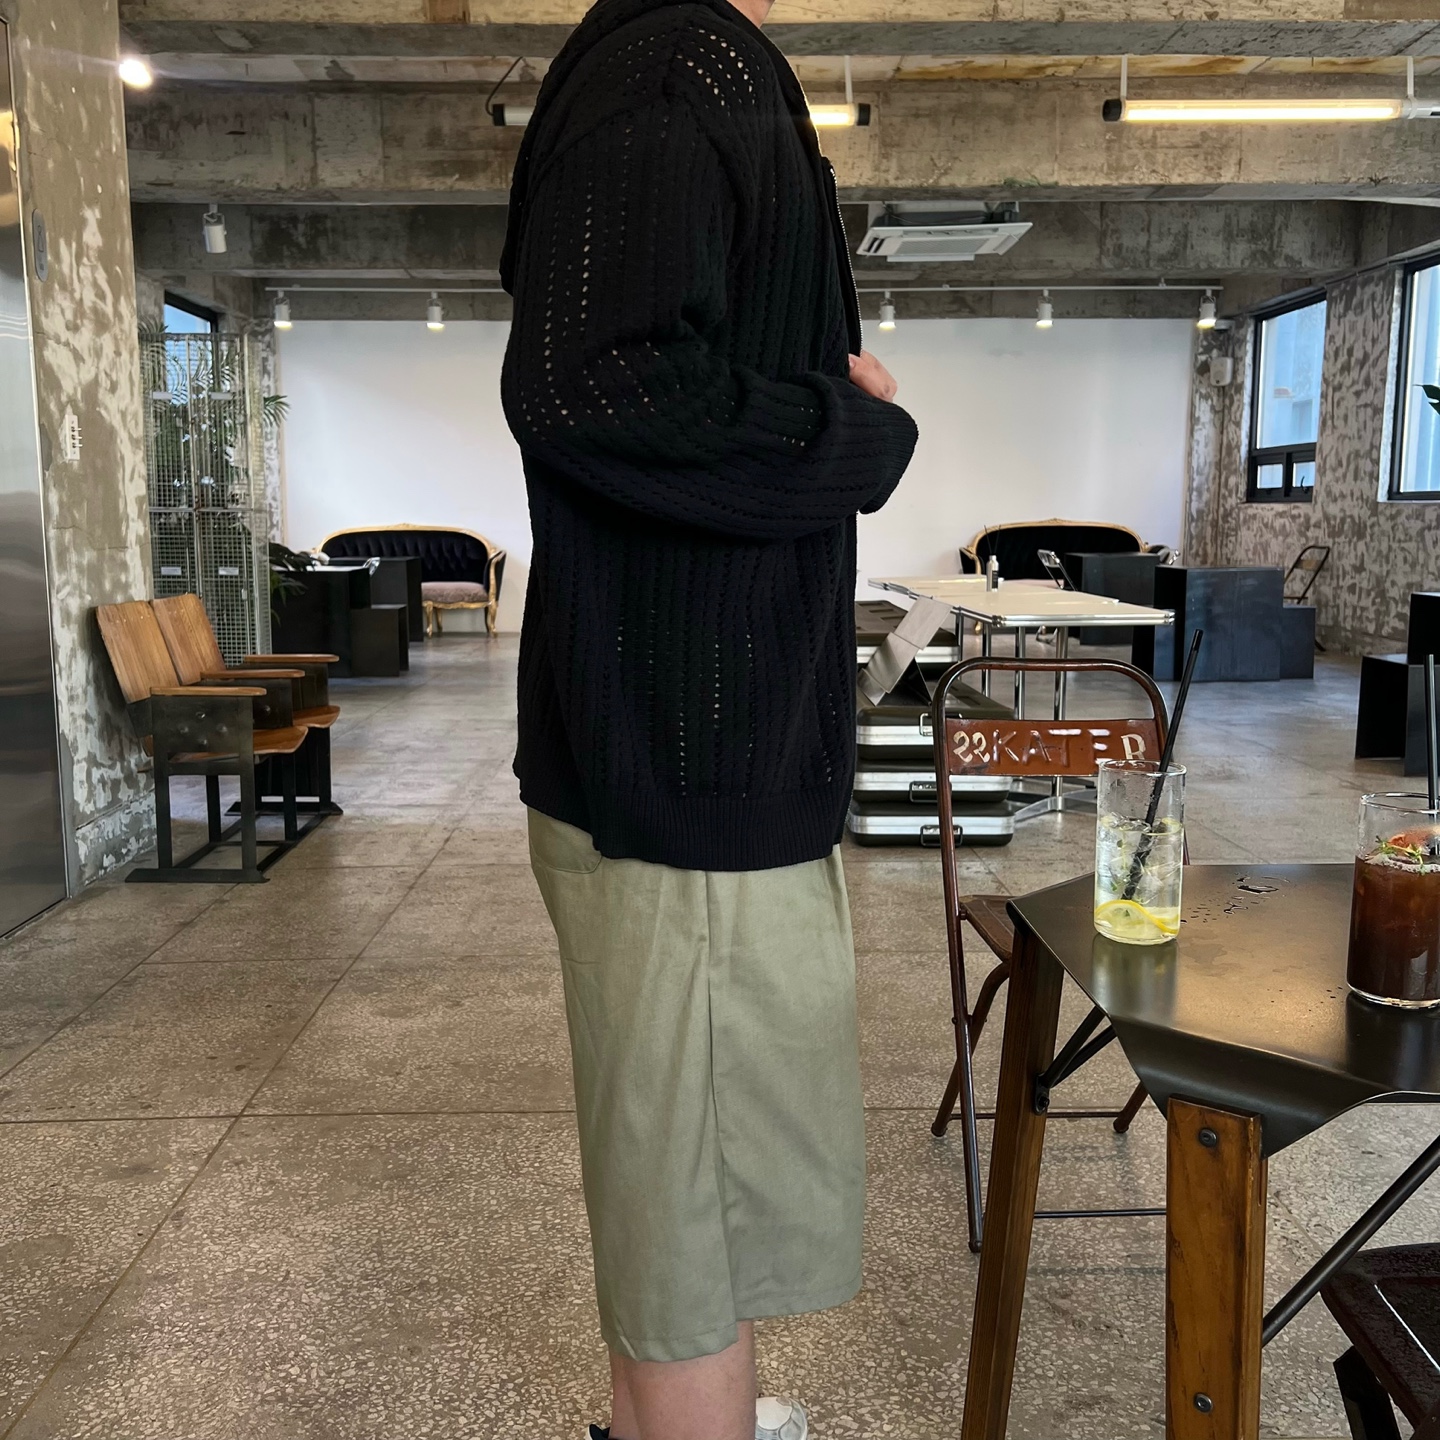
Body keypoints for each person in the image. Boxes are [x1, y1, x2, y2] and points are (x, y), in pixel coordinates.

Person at [500, 0, 918, 1434]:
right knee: (697, 1227)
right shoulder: (680, 68)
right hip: (689, 763)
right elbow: (593, 385)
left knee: (686, 1208)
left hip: (687, 753)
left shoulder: (671, 62)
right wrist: (854, 435)